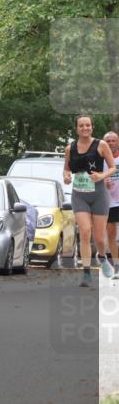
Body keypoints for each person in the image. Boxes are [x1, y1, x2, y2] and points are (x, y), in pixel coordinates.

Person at [63, 117, 117, 285]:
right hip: (79, 195)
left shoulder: (101, 145)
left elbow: (113, 167)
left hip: (99, 195)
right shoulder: (70, 148)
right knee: (85, 231)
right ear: (77, 129)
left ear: (92, 127)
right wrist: (66, 177)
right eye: (81, 125)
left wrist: (101, 175)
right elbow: (66, 169)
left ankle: (102, 257)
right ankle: (86, 273)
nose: (85, 128)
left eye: (88, 125)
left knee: (99, 238)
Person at [105, 131, 119, 278]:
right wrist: (103, 181)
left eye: (113, 140)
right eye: (108, 141)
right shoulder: (100, 159)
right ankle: (117, 266)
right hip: (109, 203)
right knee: (111, 236)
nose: (110, 143)